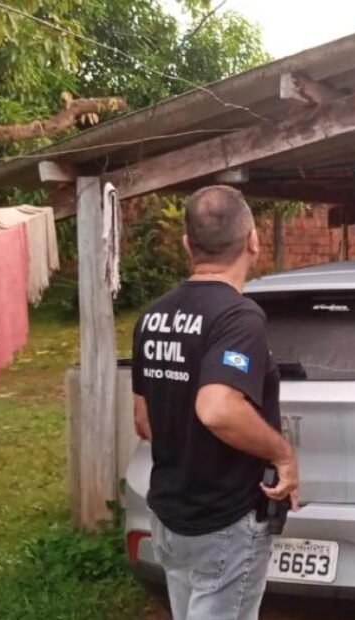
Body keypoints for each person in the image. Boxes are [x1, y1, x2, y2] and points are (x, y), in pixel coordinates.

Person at [131, 185, 299, 620]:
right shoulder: (238, 317)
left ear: (189, 245)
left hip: (171, 516)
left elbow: (144, 421)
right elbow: (218, 408)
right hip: (224, 521)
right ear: (253, 241)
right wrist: (283, 454)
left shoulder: (152, 317)